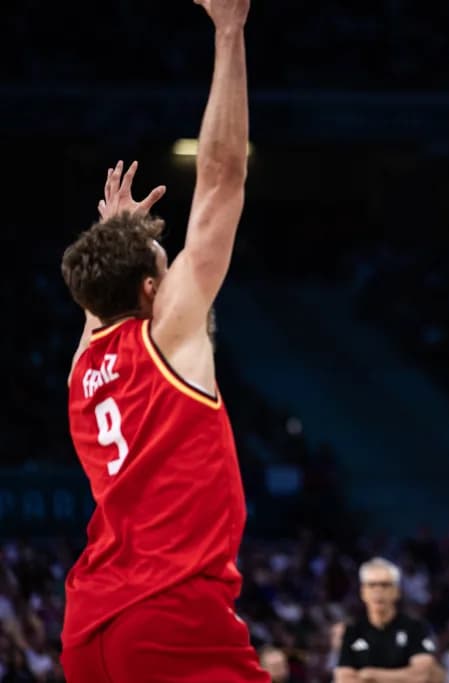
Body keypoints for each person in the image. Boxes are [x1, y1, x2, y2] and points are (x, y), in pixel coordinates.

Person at [57, 1, 266, 681]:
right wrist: (229, 32)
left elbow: (97, 301)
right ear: (152, 292)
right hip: (172, 611)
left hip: (89, 627)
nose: (171, 265)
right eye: (161, 263)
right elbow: (221, 178)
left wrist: (119, 232)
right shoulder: (169, 335)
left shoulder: (84, 368)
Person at [335, 558, 444, 683]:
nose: (378, 591)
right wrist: (402, 676)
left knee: (437, 673)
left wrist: (371, 674)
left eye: (385, 585)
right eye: (372, 585)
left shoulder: (415, 627)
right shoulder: (352, 631)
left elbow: (421, 675)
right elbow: (344, 678)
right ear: (363, 592)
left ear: (396, 591)